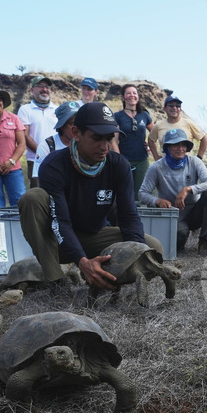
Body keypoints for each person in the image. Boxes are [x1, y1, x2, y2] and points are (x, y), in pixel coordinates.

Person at [18, 101, 163, 292]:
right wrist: (82, 261)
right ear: (76, 133)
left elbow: (129, 216)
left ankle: (105, 278)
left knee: (153, 249)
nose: (104, 146)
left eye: (109, 138)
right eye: (97, 138)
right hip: (57, 239)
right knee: (32, 198)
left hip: (94, 235)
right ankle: (56, 279)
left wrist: (138, 253)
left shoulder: (119, 165)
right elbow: (60, 221)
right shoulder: (54, 165)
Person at [140, 128, 207, 256]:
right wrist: (157, 201)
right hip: (172, 213)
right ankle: (181, 236)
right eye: (175, 145)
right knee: (178, 240)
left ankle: (205, 243)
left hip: (194, 211)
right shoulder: (156, 167)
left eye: (183, 145)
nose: (180, 148)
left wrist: (189, 189)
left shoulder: (194, 162)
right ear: (167, 148)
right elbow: (143, 193)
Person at [17, 75, 57, 186]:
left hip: (58, 159)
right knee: (38, 193)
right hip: (35, 160)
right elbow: (25, 135)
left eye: (47, 86)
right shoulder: (25, 109)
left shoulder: (58, 109)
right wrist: (42, 152)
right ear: (31, 90)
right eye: (40, 86)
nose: (44, 89)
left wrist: (54, 155)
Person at [116, 83, 154, 192]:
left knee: (141, 192)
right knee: (124, 191)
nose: (132, 95)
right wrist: (119, 160)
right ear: (123, 97)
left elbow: (154, 133)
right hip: (124, 159)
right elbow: (113, 141)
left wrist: (150, 145)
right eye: (128, 93)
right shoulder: (118, 116)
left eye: (134, 93)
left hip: (142, 159)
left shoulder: (144, 115)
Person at [148, 95, 207, 160]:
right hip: (165, 165)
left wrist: (199, 157)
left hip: (186, 166)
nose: (174, 108)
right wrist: (156, 156)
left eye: (178, 106)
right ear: (164, 108)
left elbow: (204, 139)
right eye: (171, 106)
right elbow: (151, 140)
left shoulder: (188, 123)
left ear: (180, 109)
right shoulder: (158, 125)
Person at [34, 101, 81, 182]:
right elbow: (38, 178)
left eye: (79, 122)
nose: (76, 128)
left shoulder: (86, 144)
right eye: (72, 123)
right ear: (62, 126)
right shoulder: (47, 146)